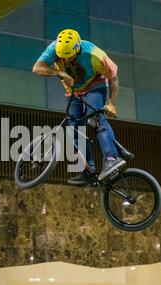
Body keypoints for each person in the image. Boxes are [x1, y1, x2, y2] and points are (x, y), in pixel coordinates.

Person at [32, 29, 126, 186]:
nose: (65, 59)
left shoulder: (95, 54)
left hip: (94, 85)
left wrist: (112, 103)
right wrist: (60, 73)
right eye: (62, 56)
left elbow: (114, 78)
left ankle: (111, 158)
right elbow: (37, 68)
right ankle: (88, 171)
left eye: (69, 55)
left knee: (94, 118)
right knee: (74, 129)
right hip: (74, 92)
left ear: (77, 48)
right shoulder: (55, 49)